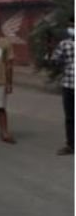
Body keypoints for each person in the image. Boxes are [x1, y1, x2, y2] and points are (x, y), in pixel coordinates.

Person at [50, 18, 74, 155]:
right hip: (69, 84)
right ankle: (71, 144)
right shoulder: (64, 44)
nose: (72, 28)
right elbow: (56, 60)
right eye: (71, 26)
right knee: (70, 117)